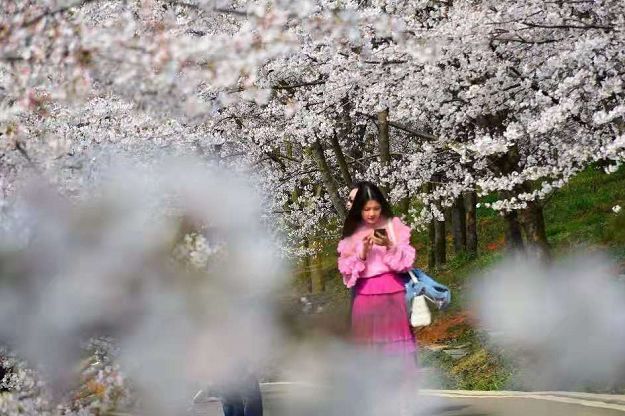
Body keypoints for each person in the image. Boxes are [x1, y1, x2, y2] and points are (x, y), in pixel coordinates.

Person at [337, 181, 418, 364]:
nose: (372, 213)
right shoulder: (352, 232)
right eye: (366, 209)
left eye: (376, 208)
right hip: (365, 297)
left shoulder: (394, 227)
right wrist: (362, 252)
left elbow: (406, 263)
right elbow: (346, 272)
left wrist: (390, 245)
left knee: (397, 351)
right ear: (359, 209)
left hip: (394, 295)